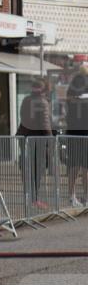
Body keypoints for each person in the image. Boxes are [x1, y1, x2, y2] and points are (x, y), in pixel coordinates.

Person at [19, 79, 54, 212]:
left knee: (28, 169)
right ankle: (34, 199)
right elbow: (45, 124)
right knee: (37, 170)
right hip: (38, 141)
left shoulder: (26, 100)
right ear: (44, 90)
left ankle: (29, 197)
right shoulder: (43, 103)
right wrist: (51, 141)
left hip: (25, 137)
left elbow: (22, 116)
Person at [66, 64, 88, 206]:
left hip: (73, 131)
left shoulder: (72, 87)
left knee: (75, 165)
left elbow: (69, 101)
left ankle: (72, 196)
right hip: (85, 131)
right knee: (86, 166)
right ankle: (86, 196)